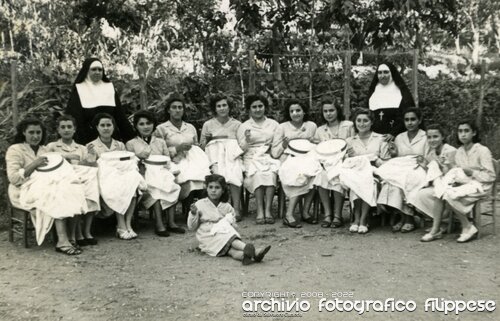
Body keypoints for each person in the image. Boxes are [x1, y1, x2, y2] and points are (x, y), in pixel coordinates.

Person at [6, 118, 87, 255]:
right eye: (31, 132)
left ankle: (70, 237)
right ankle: (62, 241)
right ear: (23, 133)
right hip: (23, 189)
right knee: (54, 194)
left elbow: (58, 159)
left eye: (39, 132)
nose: (35, 136)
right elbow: (14, 178)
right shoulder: (15, 149)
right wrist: (34, 164)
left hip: (45, 186)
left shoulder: (44, 149)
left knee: (72, 189)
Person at [188, 174, 271, 265]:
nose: (213, 190)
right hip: (208, 236)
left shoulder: (226, 206)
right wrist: (193, 214)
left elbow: (232, 222)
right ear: (206, 188)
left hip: (224, 233)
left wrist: (231, 225)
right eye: (210, 187)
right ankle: (252, 251)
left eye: (217, 188)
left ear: (223, 190)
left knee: (231, 251)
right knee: (229, 239)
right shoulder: (199, 204)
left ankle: (245, 256)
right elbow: (191, 227)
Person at [87, 113, 146, 240]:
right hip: (103, 179)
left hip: (122, 175)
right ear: (97, 127)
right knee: (119, 187)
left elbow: (126, 163)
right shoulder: (92, 146)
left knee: (132, 185)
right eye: (102, 125)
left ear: (113, 127)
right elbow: (91, 166)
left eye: (109, 125)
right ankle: (121, 224)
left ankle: (128, 224)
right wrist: (91, 156)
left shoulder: (119, 145)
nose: (106, 128)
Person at [46, 115, 101, 247]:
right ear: (58, 130)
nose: (66, 130)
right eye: (63, 127)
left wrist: (91, 157)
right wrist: (66, 156)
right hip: (61, 180)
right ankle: (76, 234)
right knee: (76, 190)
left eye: (69, 127)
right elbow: (47, 160)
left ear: (74, 129)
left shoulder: (82, 148)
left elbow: (90, 167)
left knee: (92, 185)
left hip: (81, 178)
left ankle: (86, 231)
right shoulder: (52, 146)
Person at [126, 110, 182, 236]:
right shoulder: (131, 143)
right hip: (143, 174)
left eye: (148, 123)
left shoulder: (160, 142)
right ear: (136, 126)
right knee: (155, 191)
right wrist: (139, 157)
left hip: (162, 172)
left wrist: (171, 170)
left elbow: (167, 159)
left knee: (172, 186)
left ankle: (171, 222)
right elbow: (129, 165)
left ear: (154, 124)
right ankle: (159, 224)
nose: (146, 127)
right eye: (141, 124)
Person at [443, 119, 496, 242]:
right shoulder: (459, 151)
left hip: (482, 186)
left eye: (466, 131)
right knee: (445, 191)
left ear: (474, 133)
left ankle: (467, 227)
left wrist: (473, 172)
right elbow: (460, 172)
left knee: (450, 196)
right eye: (460, 131)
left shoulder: (482, 150)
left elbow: (491, 176)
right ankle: (467, 225)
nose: (463, 134)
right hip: (467, 184)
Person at [154, 95, 211, 210]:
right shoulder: (161, 128)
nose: (177, 110)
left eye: (180, 107)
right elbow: (158, 152)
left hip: (193, 159)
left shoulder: (190, 127)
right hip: (173, 161)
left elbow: (197, 147)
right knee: (188, 178)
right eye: (174, 107)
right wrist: (177, 149)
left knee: (203, 176)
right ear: (168, 110)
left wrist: (205, 142)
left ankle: (201, 209)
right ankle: (188, 211)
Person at [377, 107, 427, 233]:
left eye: (413, 119)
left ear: (419, 120)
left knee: (406, 179)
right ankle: (403, 217)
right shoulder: (399, 137)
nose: (410, 123)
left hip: (419, 168)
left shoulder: (425, 137)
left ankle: (409, 219)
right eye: (407, 120)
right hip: (402, 168)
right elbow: (398, 159)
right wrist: (394, 154)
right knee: (393, 180)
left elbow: (427, 157)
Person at [236, 94, 283, 225]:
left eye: (260, 106)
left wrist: (278, 150)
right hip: (250, 157)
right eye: (254, 107)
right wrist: (246, 139)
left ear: (265, 107)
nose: (257, 109)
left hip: (268, 155)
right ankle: (260, 211)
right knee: (257, 175)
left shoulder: (274, 124)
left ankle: (268, 210)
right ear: (249, 109)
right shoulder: (244, 126)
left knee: (271, 173)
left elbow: (276, 146)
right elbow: (241, 149)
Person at [66, 57, 135, 144]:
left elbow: (120, 116)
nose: (97, 72)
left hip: (110, 137)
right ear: (87, 71)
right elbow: (75, 118)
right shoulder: (79, 89)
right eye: (94, 69)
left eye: (100, 70)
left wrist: (131, 139)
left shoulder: (109, 87)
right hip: (87, 138)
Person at [344, 108, 391, 234]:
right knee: (357, 180)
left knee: (368, 180)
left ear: (371, 122)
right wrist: (353, 158)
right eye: (358, 120)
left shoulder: (381, 139)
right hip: (355, 173)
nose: (362, 123)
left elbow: (387, 162)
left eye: (365, 120)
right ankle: (357, 218)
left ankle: (363, 219)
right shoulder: (349, 141)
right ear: (355, 122)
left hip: (375, 174)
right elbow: (345, 162)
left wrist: (375, 160)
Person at [312, 97, 355, 228]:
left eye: (331, 110)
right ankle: (328, 214)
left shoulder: (348, 126)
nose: (328, 114)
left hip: (344, 161)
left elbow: (353, 144)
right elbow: (317, 150)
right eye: (325, 111)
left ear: (338, 110)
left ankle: (338, 215)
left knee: (337, 176)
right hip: (325, 162)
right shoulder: (320, 130)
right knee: (321, 175)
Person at [200, 95, 244, 221]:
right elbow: (201, 146)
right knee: (217, 174)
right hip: (214, 156)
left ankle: (236, 208)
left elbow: (241, 144)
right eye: (218, 106)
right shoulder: (208, 124)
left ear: (229, 107)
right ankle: (218, 209)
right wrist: (207, 140)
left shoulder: (237, 124)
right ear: (215, 109)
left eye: (224, 105)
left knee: (235, 171)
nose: (222, 108)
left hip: (232, 155)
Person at [277, 99, 318, 228]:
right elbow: (274, 151)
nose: (295, 113)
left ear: (304, 111)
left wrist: (313, 141)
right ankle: (289, 214)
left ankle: (305, 212)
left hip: (308, 156)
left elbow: (317, 144)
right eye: (292, 111)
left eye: (298, 110)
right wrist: (283, 145)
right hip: (290, 157)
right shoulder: (282, 127)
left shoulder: (311, 126)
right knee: (297, 174)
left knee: (315, 172)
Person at [411, 124, 456, 241]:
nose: (432, 140)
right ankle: (442, 221)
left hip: (453, 185)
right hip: (439, 184)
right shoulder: (431, 153)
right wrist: (425, 167)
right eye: (429, 137)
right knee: (419, 194)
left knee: (438, 193)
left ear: (442, 137)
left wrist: (446, 166)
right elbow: (432, 174)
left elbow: (457, 171)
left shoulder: (450, 151)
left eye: (435, 136)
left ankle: (440, 225)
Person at [366, 62, 415, 141]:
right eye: (380, 73)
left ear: (391, 73)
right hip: (375, 138)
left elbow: (408, 116)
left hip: (398, 137)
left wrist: (394, 133)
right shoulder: (373, 93)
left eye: (386, 72)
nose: (382, 75)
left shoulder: (402, 93)